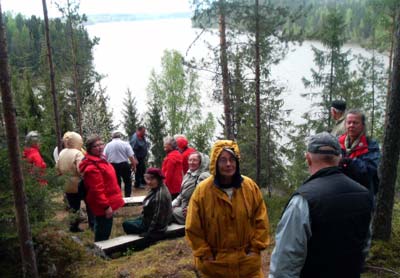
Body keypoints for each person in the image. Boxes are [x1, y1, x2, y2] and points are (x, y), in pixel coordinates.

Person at [269, 132, 373, 278]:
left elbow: (284, 264)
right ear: (340, 158)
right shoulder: (364, 195)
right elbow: (364, 246)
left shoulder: (303, 200)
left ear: (308, 159)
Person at [186, 140, 270, 277]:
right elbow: (193, 227)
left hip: (247, 266)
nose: (228, 164)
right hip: (215, 267)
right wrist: (205, 254)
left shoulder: (250, 187)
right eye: (223, 160)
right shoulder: (202, 191)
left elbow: (262, 222)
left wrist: (255, 249)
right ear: (215, 163)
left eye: (232, 159)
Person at [79, 135, 125, 242]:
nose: (100, 147)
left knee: (105, 228)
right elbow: (97, 190)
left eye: (101, 144)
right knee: (103, 231)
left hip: (109, 200)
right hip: (103, 205)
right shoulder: (92, 167)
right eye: (96, 146)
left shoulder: (101, 159)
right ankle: (100, 252)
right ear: (90, 149)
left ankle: (101, 250)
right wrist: (106, 207)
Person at [122, 167, 172, 248]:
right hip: (148, 219)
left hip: (155, 227)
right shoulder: (157, 187)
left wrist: (149, 233)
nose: (148, 182)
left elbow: (157, 217)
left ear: (158, 179)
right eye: (147, 179)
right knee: (133, 221)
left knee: (126, 224)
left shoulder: (160, 195)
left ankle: (138, 245)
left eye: (151, 179)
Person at [338, 109, 380, 200]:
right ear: (345, 125)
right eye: (349, 122)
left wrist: (350, 161)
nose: (351, 125)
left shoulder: (370, 145)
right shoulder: (337, 143)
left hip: (363, 194)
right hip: (341, 192)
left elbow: (369, 170)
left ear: (363, 126)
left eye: (355, 123)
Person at [56, 131, 88, 232]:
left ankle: (73, 227)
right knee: (89, 203)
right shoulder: (78, 153)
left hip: (66, 183)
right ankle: (92, 224)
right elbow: (80, 170)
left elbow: (57, 168)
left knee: (73, 207)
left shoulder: (62, 152)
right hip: (78, 184)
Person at [171, 151, 210, 224]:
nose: (191, 162)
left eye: (194, 160)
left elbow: (202, 197)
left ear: (201, 162)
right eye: (190, 160)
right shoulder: (189, 174)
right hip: (184, 208)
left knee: (166, 213)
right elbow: (182, 194)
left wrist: (190, 208)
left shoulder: (204, 176)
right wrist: (173, 204)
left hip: (194, 212)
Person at [104, 131, 138, 197]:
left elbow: (104, 157)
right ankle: (127, 196)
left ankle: (118, 196)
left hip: (112, 165)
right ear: (120, 136)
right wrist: (134, 166)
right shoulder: (125, 144)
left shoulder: (108, 145)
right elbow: (131, 156)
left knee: (116, 182)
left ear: (112, 137)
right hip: (124, 164)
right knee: (127, 181)